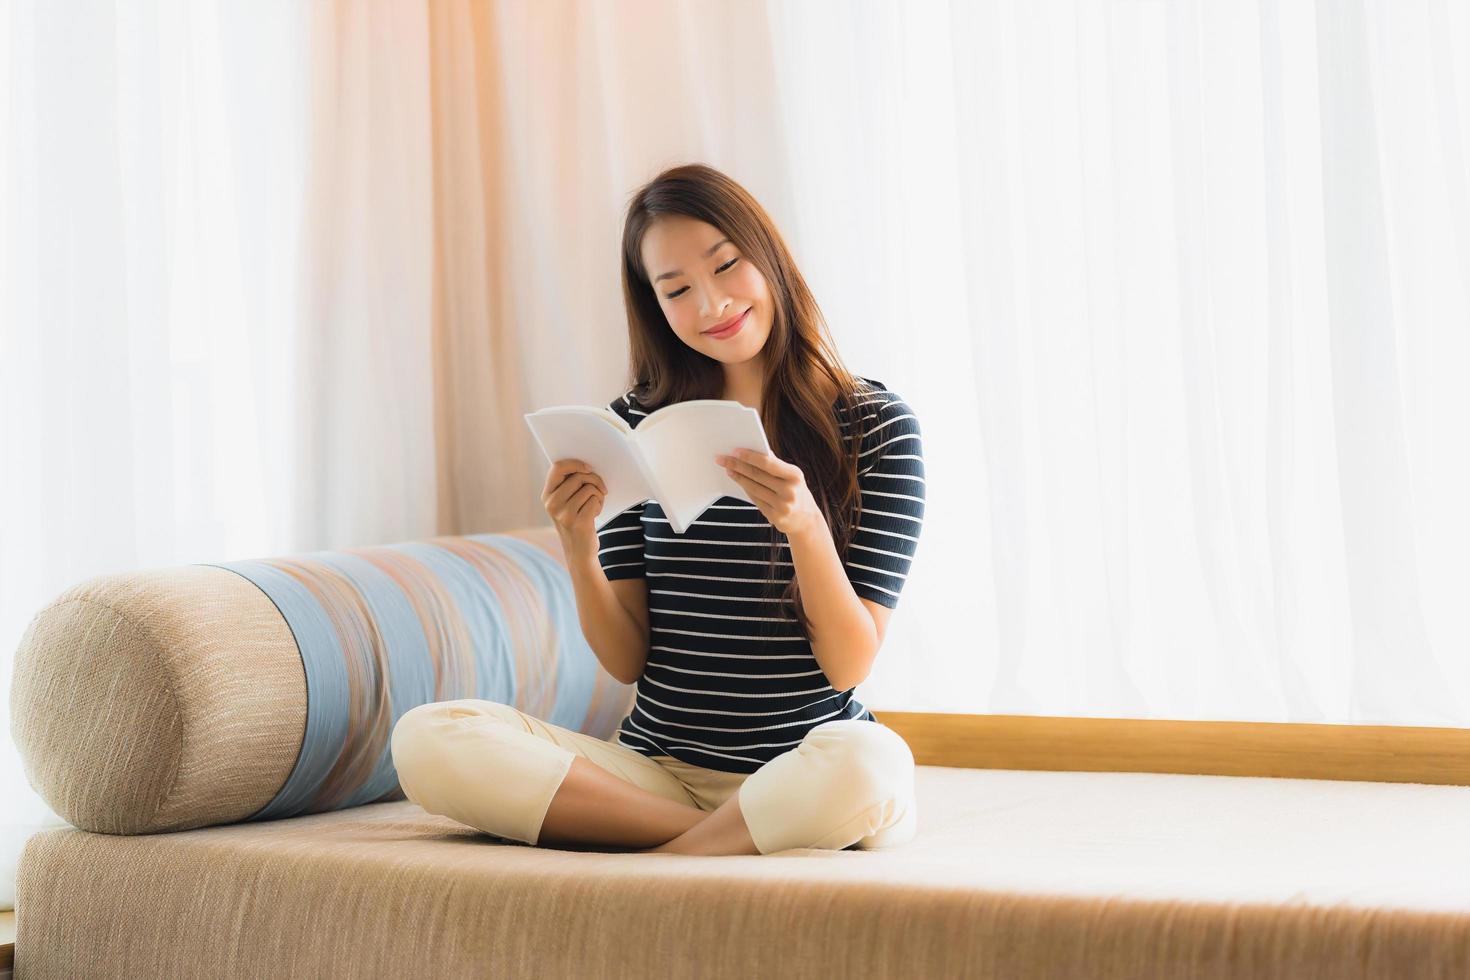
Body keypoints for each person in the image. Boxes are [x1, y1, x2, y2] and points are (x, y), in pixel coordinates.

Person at [391, 163, 926, 856]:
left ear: (768, 258)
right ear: (655, 306)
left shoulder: (875, 426)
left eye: (726, 266)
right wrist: (578, 546)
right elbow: (626, 658)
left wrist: (804, 527)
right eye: (677, 290)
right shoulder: (635, 427)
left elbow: (849, 664)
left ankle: (665, 855)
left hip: (805, 764)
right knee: (430, 738)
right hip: (655, 772)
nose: (712, 305)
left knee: (871, 764)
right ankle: (711, 846)